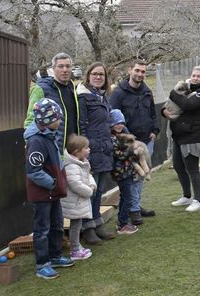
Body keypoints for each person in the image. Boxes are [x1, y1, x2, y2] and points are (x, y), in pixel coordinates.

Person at [24, 98, 74, 280]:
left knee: (57, 225)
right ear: (46, 120)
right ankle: (42, 264)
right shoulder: (36, 141)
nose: (60, 121)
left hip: (53, 193)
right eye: (57, 118)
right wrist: (53, 183)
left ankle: (55, 256)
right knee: (42, 229)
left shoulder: (49, 135)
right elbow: (33, 171)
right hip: (43, 193)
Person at [109, 59, 156, 221]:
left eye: (143, 72)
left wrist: (155, 130)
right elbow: (114, 119)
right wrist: (128, 138)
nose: (140, 74)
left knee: (141, 176)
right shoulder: (118, 93)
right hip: (128, 144)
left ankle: (135, 204)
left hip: (146, 140)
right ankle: (133, 210)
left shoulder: (147, 91)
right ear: (130, 70)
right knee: (131, 176)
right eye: (137, 70)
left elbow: (152, 112)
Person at [163, 66, 200, 212]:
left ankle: (198, 200)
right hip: (179, 135)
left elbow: (187, 105)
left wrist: (173, 92)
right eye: (193, 75)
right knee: (179, 167)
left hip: (193, 135)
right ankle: (186, 196)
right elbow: (176, 106)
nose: (195, 78)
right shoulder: (188, 91)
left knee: (192, 169)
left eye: (199, 76)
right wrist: (164, 111)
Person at [78, 62, 115, 245]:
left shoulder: (103, 97)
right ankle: (88, 228)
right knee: (89, 192)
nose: (98, 77)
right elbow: (82, 125)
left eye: (101, 74)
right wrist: (85, 151)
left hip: (104, 149)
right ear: (88, 75)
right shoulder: (84, 98)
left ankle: (97, 223)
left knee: (99, 190)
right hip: (91, 150)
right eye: (95, 74)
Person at [24, 53, 81, 155]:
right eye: (60, 66)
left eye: (68, 66)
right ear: (53, 68)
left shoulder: (71, 87)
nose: (64, 70)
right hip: (53, 150)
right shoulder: (41, 89)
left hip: (73, 150)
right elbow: (30, 121)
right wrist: (33, 146)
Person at [62, 135, 95, 261]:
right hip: (74, 202)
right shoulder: (71, 166)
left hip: (79, 202)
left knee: (77, 225)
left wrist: (92, 184)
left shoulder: (82, 162)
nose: (89, 150)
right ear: (77, 151)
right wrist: (89, 191)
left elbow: (87, 175)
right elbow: (75, 184)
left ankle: (76, 246)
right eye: (86, 148)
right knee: (75, 226)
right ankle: (75, 250)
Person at [109, 109, 140, 235]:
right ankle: (122, 224)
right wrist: (131, 151)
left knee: (125, 197)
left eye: (121, 123)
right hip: (120, 172)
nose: (120, 125)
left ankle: (121, 222)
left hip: (127, 171)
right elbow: (119, 155)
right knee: (128, 198)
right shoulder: (112, 138)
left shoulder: (123, 135)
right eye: (117, 123)